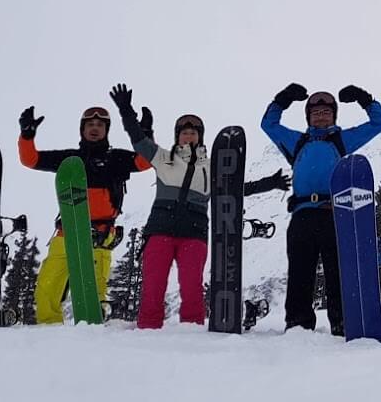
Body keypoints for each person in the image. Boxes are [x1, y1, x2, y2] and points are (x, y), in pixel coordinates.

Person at [108, 84, 291, 330]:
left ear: (200, 137)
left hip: (193, 233)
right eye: (184, 132)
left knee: (192, 288)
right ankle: (147, 331)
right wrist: (126, 110)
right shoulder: (163, 157)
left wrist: (270, 183)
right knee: (153, 287)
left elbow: (234, 188)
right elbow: (138, 140)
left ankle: (192, 333)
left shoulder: (212, 167)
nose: (189, 136)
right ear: (177, 136)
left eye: (193, 132)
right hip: (160, 230)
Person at [261, 82, 381, 335]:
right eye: (316, 112)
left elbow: (379, 123)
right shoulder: (297, 141)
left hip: (334, 213)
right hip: (302, 214)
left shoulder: (341, 140)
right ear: (308, 117)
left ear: (334, 116)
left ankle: (343, 323)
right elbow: (269, 124)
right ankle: (298, 324)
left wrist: (364, 98)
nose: (321, 116)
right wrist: (282, 100)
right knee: (300, 272)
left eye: (327, 112)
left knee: (338, 272)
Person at [17, 98, 152, 324]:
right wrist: (27, 136)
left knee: (93, 298)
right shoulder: (69, 159)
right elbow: (30, 160)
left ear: (106, 130)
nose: (95, 128)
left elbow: (145, 162)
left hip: (100, 235)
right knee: (47, 290)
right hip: (67, 234)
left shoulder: (117, 159)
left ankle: (94, 335)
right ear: (82, 129)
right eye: (90, 125)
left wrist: (145, 134)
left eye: (100, 125)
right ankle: (48, 334)